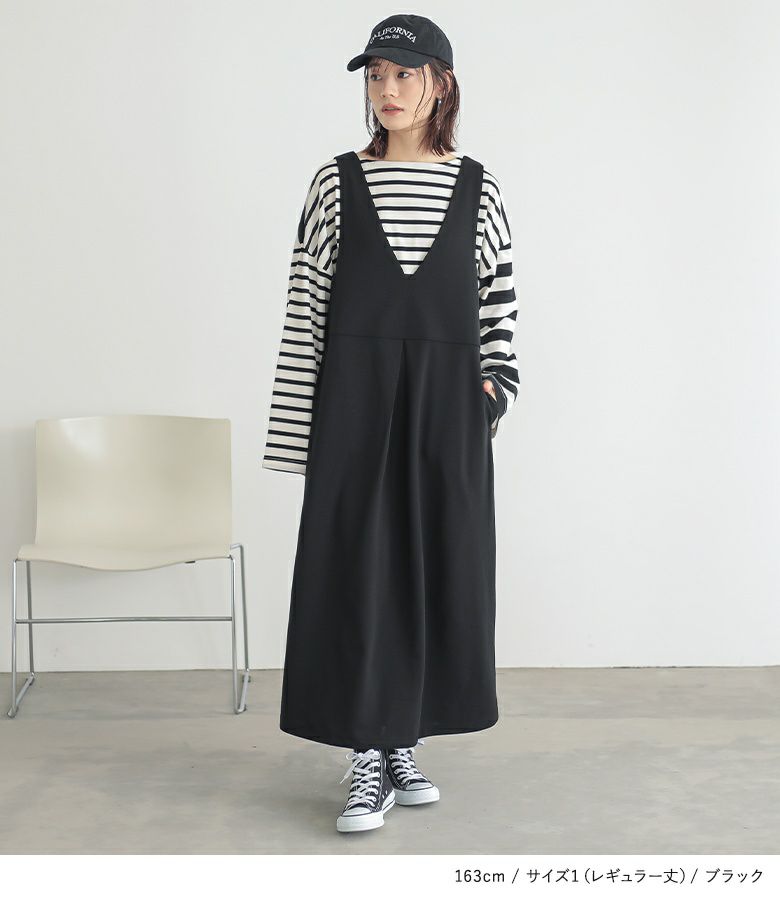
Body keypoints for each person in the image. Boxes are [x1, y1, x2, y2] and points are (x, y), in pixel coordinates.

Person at [262, 13, 520, 833]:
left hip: (448, 412)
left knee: (436, 573)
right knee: (355, 576)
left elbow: (500, 310)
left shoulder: (478, 187)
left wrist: (489, 398)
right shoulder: (335, 184)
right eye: (375, 74)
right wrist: (301, 435)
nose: (387, 89)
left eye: (404, 74)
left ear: (440, 84)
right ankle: (365, 757)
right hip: (354, 407)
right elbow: (305, 310)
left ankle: (401, 738)